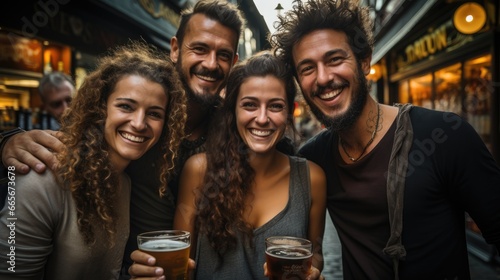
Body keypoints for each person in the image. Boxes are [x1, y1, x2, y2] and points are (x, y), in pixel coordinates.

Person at [0, 0, 244, 278]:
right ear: (175, 49)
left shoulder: (233, 131)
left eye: (223, 54)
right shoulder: (53, 175)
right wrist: (7, 140)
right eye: (199, 48)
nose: (211, 63)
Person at [268, 0, 500, 279]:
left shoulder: (446, 136)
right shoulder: (314, 159)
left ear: (364, 61)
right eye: (307, 68)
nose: (323, 78)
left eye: (335, 59)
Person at [130, 52, 326, 280]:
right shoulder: (199, 171)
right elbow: (182, 268)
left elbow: (317, 253)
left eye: (275, 106)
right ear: (233, 111)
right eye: (250, 105)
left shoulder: (312, 178)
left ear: (289, 112)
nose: (262, 118)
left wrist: (314, 272)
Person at [0, 41, 186, 279]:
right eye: (126, 106)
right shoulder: (43, 179)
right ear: (101, 108)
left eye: (154, 113)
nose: (139, 123)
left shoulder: (125, 183)